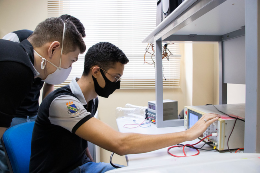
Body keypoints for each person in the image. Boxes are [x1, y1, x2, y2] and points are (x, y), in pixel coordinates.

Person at [29, 42, 220, 173]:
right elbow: (121, 144)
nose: (116, 84)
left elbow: (79, 140)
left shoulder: (91, 99)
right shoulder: (63, 103)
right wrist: (187, 135)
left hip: (80, 167)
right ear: (96, 71)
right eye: (115, 78)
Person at [0, 15, 86, 173]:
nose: (69, 68)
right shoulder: (19, 66)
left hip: (28, 111)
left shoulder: (29, 63)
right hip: (13, 112)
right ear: (54, 48)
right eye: (72, 60)